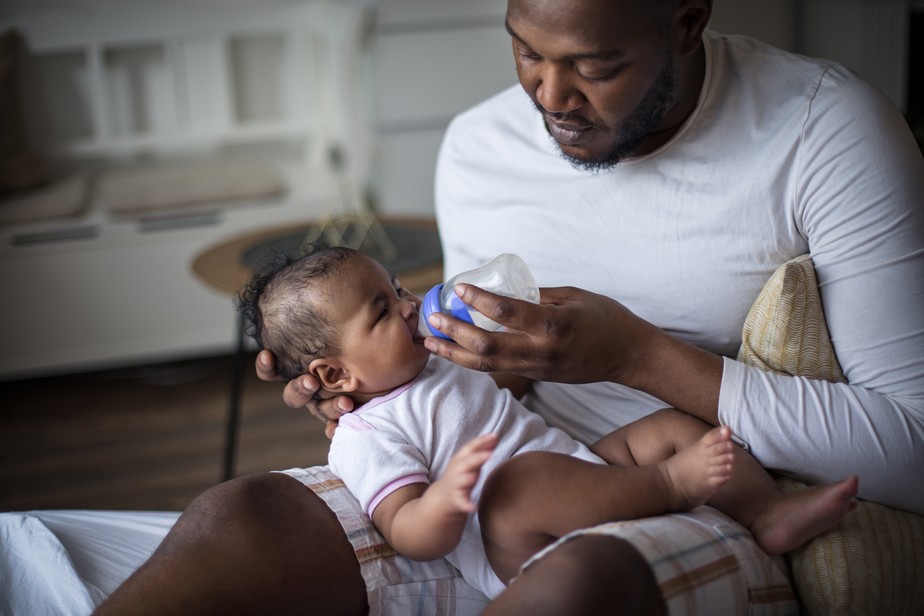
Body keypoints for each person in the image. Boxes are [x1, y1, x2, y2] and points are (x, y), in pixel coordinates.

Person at [94, 0, 924, 614]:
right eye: (526, 50)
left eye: (595, 66)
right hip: (493, 479)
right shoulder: (478, 148)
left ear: (687, 20)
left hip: (687, 490)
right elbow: (481, 384)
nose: (550, 96)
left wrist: (634, 356)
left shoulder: (824, 135)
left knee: (574, 584)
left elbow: (915, 451)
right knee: (241, 515)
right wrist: (378, 395)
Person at [236, 246, 857, 598]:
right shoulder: (362, 435)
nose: (409, 306)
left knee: (665, 426)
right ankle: (671, 485)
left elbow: (508, 371)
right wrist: (444, 501)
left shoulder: (434, 359)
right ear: (335, 375)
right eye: (382, 310)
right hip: (515, 537)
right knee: (518, 484)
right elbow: (406, 531)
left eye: (398, 289)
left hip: (582, 466)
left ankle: (766, 511)